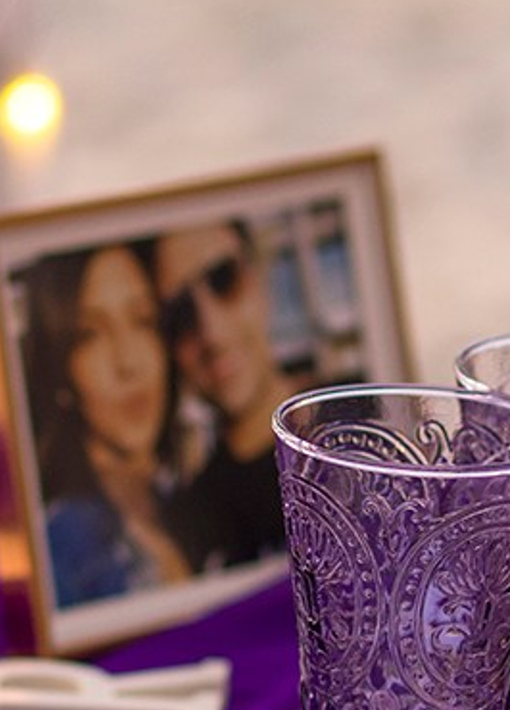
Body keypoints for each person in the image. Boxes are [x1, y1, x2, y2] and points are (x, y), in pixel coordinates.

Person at [19, 239, 192, 610]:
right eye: (90, 335)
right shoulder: (61, 544)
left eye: (143, 321)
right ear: (60, 366)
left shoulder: (189, 498)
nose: (127, 361)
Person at [156, 217, 302, 570]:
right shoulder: (185, 529)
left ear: (262, 280)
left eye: (223, 279)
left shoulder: (369, 419)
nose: (212, 333)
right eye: (179, 313)